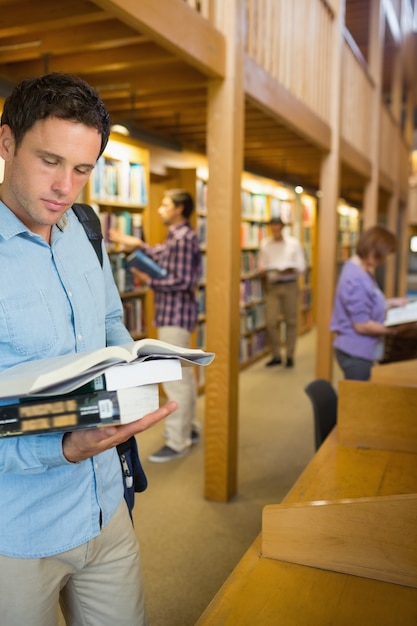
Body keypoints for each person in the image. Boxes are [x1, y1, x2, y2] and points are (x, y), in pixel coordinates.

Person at [0, 72, 178, 626]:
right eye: (49, 161)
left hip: (106, 505)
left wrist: (129, 381)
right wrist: (64, 448)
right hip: (16, 534)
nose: (65, 187)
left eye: (82, 169)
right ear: (6, 144)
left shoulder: (83, 225)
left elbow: (107, 320)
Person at [109, 189, 202, 463]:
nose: (160, 209)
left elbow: (182, 281)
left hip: (175, 316)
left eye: (165, 205)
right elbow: (159, 253)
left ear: (179, 209)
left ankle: (177, 441)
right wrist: (137, 244)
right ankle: (190, 428)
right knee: (184, 378)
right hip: (172, 315)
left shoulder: (184, 238)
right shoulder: (177, 237)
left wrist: (148, 280)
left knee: (175, 381)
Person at [330, 225, 409, 381]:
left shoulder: (357, 268)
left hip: (355, 349)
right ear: (374, 252)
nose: (385, 261)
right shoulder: (357, 279)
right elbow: (362, 325)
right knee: (360, 400)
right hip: (355, 352)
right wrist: (395, 330)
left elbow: (367, 302)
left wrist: (391, 303)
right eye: (384, 256)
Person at [258, 216, 306, 368]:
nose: (275, 230)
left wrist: (290, 269)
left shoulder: (293, 243)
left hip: (290, 285)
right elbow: (261, 264)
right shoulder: (265, 244)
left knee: (291, 321)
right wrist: (263, 269)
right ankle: (276, 354)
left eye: (278, 227)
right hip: (272, 286)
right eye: (273, 227)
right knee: (271, 321)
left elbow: (302, 266)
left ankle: (290, 355)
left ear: (282, 227)